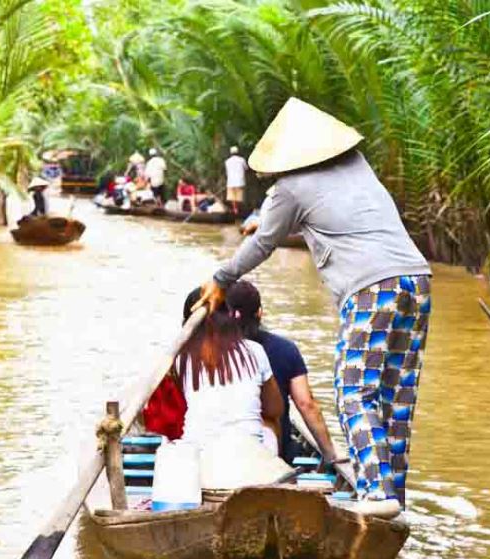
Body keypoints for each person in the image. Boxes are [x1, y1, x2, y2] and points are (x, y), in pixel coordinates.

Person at [195, 98, 432, 512]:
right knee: (396, 396)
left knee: (354, 390)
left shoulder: (290, 188)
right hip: (416, 280)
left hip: (370, 287)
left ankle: (376, 494)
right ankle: (394, 497)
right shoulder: (358, 164)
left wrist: (220, 278)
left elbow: (264, 244)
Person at [226, 280, 340, 467]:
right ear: (260, 312)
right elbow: (306, 404)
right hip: (275, 449)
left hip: (224, 446)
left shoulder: (211, 352)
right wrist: (330, 454)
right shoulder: (286, 349)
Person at [172, 288, 287, 458]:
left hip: (199, 452)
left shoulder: (179, 358)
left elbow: (172, 413)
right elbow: (275, 409)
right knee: (270, 423)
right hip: (248, 454)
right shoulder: (255, 350)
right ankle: (275, 468)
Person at [225, 145, 247, 215]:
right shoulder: (242, 160)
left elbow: (227, 172)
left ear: (231, 153)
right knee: (239, 197)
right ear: (237, 152)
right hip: (240, 181)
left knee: (232, 197)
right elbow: (246, 168)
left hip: (230, 181)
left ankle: (235, 210)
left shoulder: (227, 161)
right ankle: (239, 211)